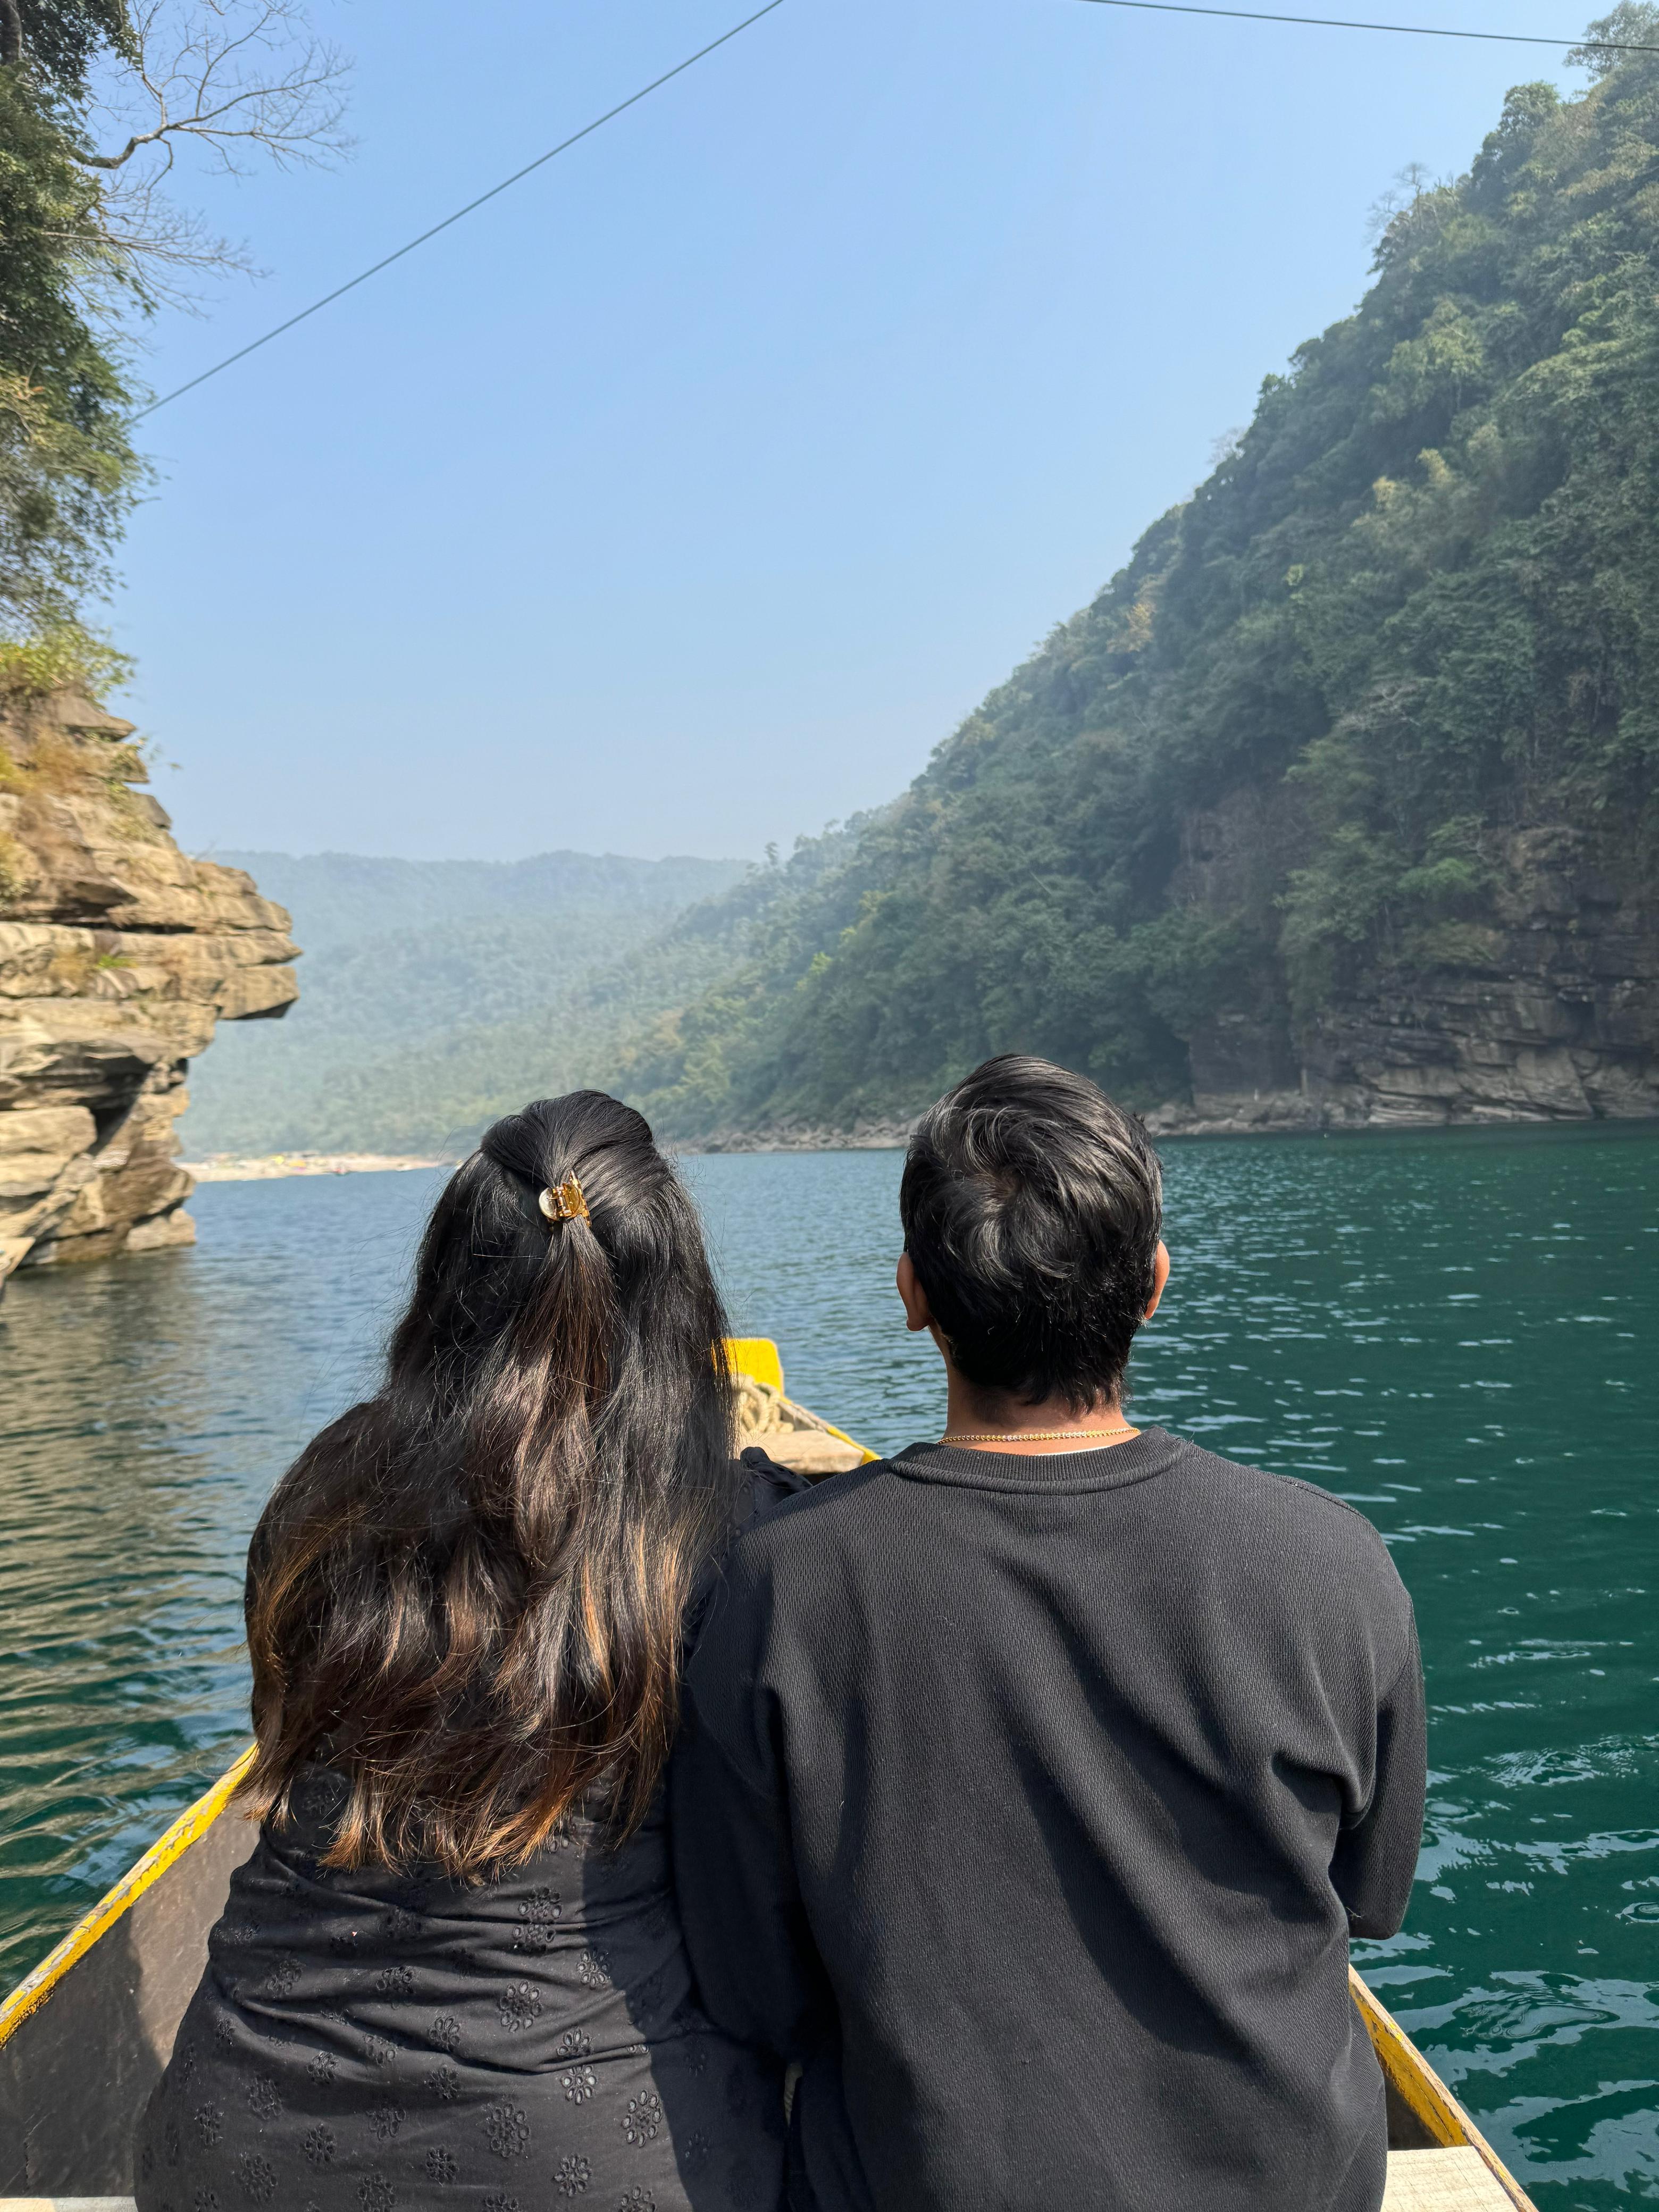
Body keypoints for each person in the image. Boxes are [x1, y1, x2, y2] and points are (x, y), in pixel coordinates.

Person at [671, 1053, 1427, 2212]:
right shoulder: (1334, 1562)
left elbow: (751, 1987)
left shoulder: (784, 1585)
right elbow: (1368, 1899)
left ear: (913, 1291)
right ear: (1155, 1284)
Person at [136, 1092, 793, 2212]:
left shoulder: (322, 1491)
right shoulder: (734, 1534)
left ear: (447, 1284)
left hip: (229, 2141)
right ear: (677, 1306)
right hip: (582, 2159)